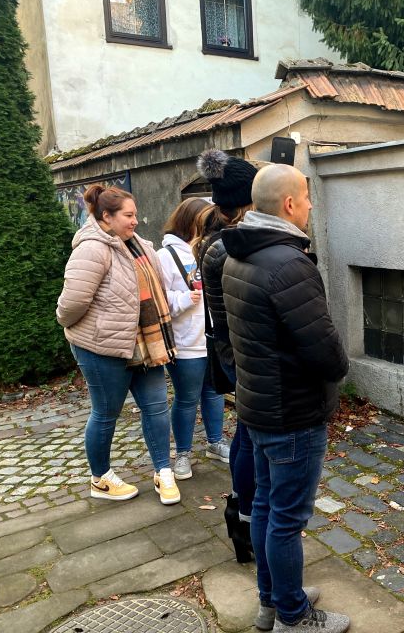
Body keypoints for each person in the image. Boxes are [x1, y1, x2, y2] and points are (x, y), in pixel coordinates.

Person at [221, 164, 350, 632]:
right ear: (290, 204)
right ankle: (294, 617)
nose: (312, 205)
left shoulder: (238, 253)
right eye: (307, 197)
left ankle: (273, 600)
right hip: (292, 412)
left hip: (257, 405)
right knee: (287, 519)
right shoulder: (288, 263)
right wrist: (340, 370)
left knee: (266, 507)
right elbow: (323, 348)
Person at [56, 185, 181, 505]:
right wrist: (70, 324)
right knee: (106, 412)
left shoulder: (139, 245)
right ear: (106, 217)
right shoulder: (92, 248)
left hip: (145, 343)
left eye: (136, 214)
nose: (136, 221)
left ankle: (163, 471)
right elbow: (72, 302)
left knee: (156, 406)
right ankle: (100, 478)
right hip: (102, 347)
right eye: (129, 215)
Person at [196, 150, 260, 563]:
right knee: (253, 442)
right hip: (241, 355)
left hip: (229, 352)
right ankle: (248, 522)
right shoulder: (230, 249)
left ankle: (241, 513)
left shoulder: (215, 243)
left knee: (245, 436)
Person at [156, 198, 229, 484]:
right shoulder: (165, 256)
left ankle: (215, 442)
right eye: (206, 220)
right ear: (191, 221)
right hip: (186, 342)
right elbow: (160, 300)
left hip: (211, 338)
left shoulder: (209, 249)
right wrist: (186, 299)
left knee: (214, 393)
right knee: (187, 399)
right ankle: (183, 453)